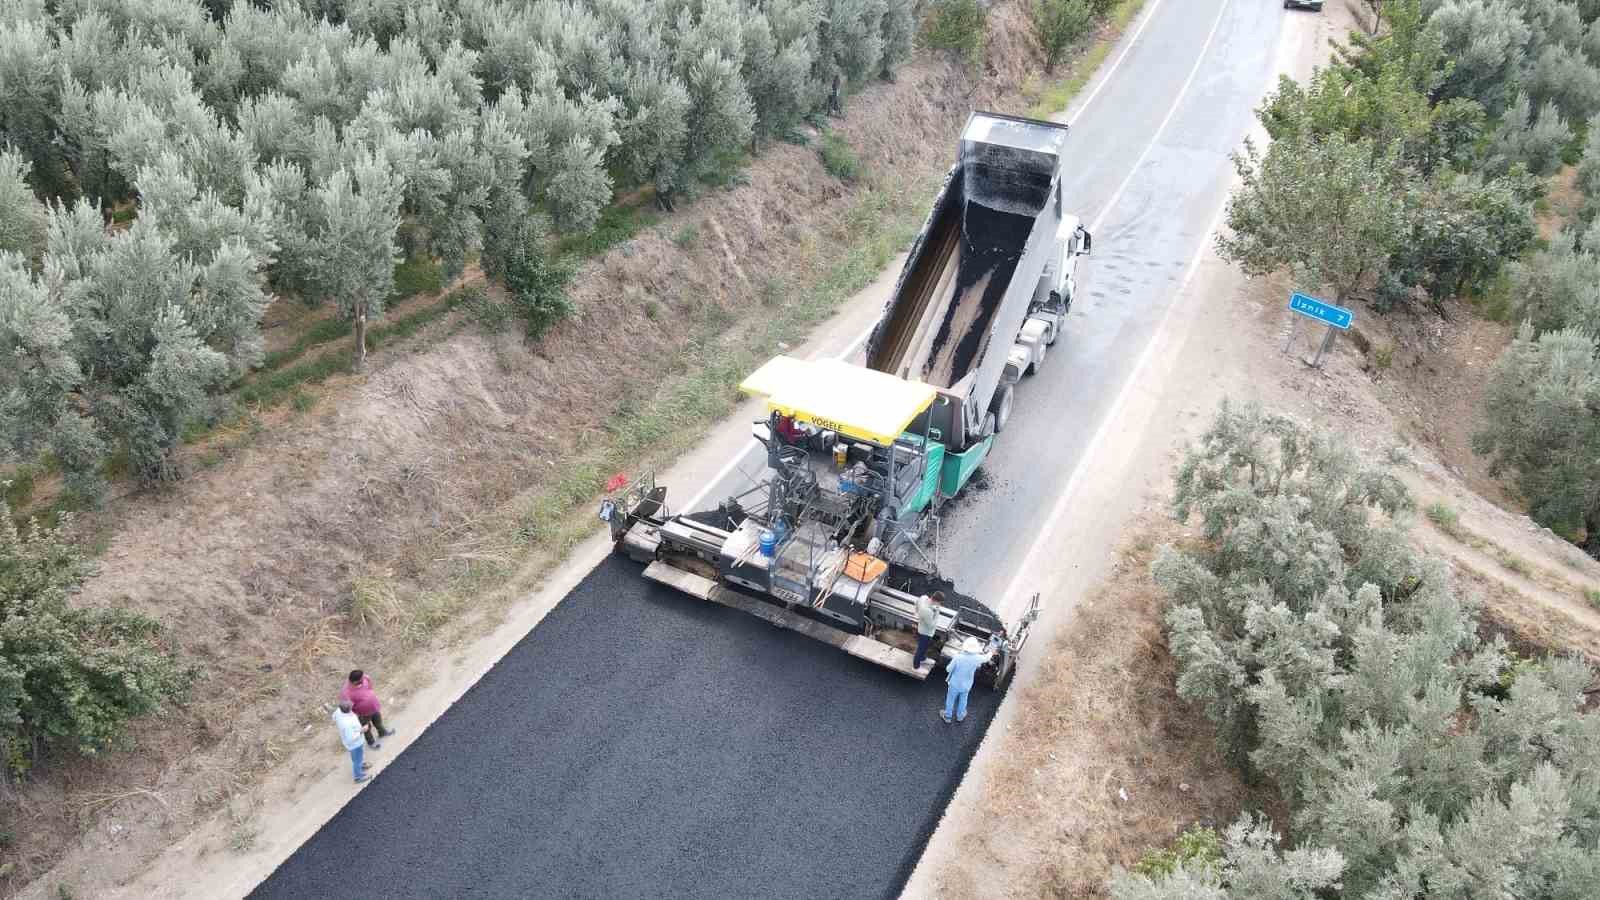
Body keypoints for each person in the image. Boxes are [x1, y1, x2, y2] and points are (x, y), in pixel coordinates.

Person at [941, 636, 994, 724]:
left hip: (954, 684)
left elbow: (948, 669)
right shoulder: (977, 658)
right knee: (963, 699)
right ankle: (960, 716)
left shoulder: (958, 657)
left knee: (950, 699)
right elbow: (986, 658)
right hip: (967, 685)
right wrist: (991, 652)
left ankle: (947, 716)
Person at [340, 670, 395, 749]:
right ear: (356, 681)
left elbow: (369, 684)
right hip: (363, 714)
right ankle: (371, 743)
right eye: (362, 678)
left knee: (378, 722)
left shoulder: (364, 678)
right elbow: (348, 708)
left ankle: (382, 733)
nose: (364, 677)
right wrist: (356, 716)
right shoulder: (346, 692)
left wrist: (369, 693)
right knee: (366, 729)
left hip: (374, 707)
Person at [329, 701, 371, 783]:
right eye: (351, 708)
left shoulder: (338, 711)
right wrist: (362, 730)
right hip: (355, 744)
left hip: (352, 742)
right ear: (348, 710)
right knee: (357, 760)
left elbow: (333, 717)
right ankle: (358, 777)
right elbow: (351, 738)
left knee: (357, 757)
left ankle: (361, 765)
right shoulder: (346, 724)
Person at [913, 591, 941, 669]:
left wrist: (916, 611)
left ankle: (922, 659)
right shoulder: (927, 611)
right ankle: (916, 667)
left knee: (924, 647)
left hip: (923, 628)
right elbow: (931, 625)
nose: (940, 605)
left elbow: (917, 602)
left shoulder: (924, 597)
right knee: (921, 649)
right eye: (940, 603)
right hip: (925, 632)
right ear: (936, 601)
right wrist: (937, 613)